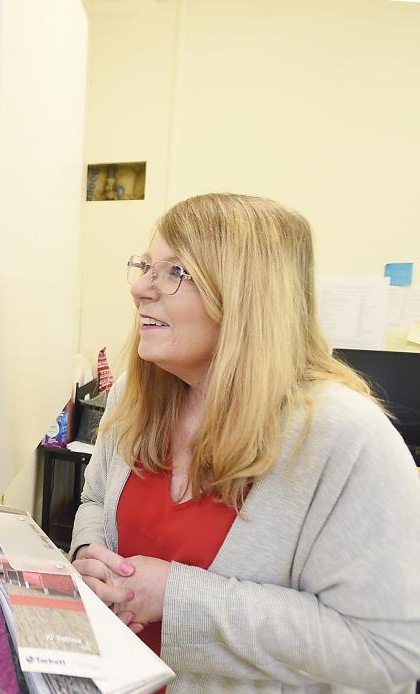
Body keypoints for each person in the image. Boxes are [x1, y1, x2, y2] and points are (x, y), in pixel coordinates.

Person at [71, 193, 420, 693]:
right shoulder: (136, 394)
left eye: (174, 272)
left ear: (245, 296)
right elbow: (93, 501)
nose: (139, 288)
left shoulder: (346, 438)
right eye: (145, 265)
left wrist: (176, 597)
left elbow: (386, 653)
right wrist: (90, 551)